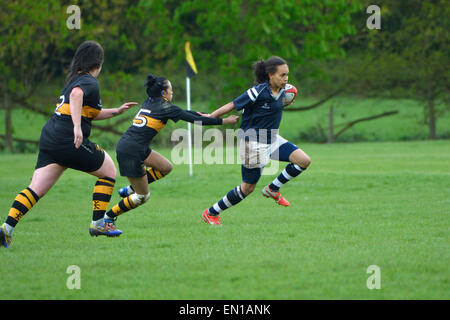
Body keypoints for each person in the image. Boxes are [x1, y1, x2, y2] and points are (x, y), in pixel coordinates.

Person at [0, 41, 138, 248]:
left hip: (50, 138)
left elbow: (86, 111)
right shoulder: (88, 82)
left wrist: (116, 111)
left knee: (36, 188)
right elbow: (76, 96)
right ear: (98, 63)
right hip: (68, 139)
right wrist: (76, 128)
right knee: (109, 171)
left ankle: (6, 229)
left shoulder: (74, 80)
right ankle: (98, 224)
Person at [102, 74, 239, 234]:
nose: (172, 93)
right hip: (132, 152)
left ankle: (130, 189)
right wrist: (224, 121)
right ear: (163, 93)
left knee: (165, 167)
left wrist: (207, 114)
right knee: (142, 197)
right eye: (171, 90)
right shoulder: (165, 107)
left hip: (133, 146)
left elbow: (185, 112)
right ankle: (108, 217)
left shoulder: (151, 102)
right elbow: (193, 119)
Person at [201, 56, 311, 225]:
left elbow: (280, 103)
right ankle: (211, 212)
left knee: (303, 160)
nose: (286, 78)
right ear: (270, 75)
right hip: (252, 144)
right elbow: (232, 104)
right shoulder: (258, 91)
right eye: (282, 75)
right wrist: (212, 116)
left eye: (287, 74)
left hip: (272, 139)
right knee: (247, 188)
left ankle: (273, 188)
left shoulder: (286, 91)